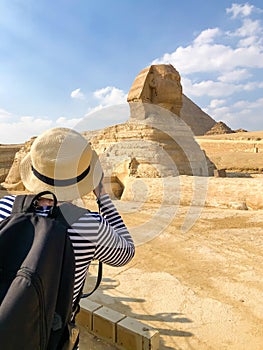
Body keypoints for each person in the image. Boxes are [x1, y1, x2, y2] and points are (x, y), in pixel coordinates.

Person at [0, 127, 135, 348]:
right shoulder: (88, 224)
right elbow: (126, 252)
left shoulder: (6, 207)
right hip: (51, 335)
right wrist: (102, 195)